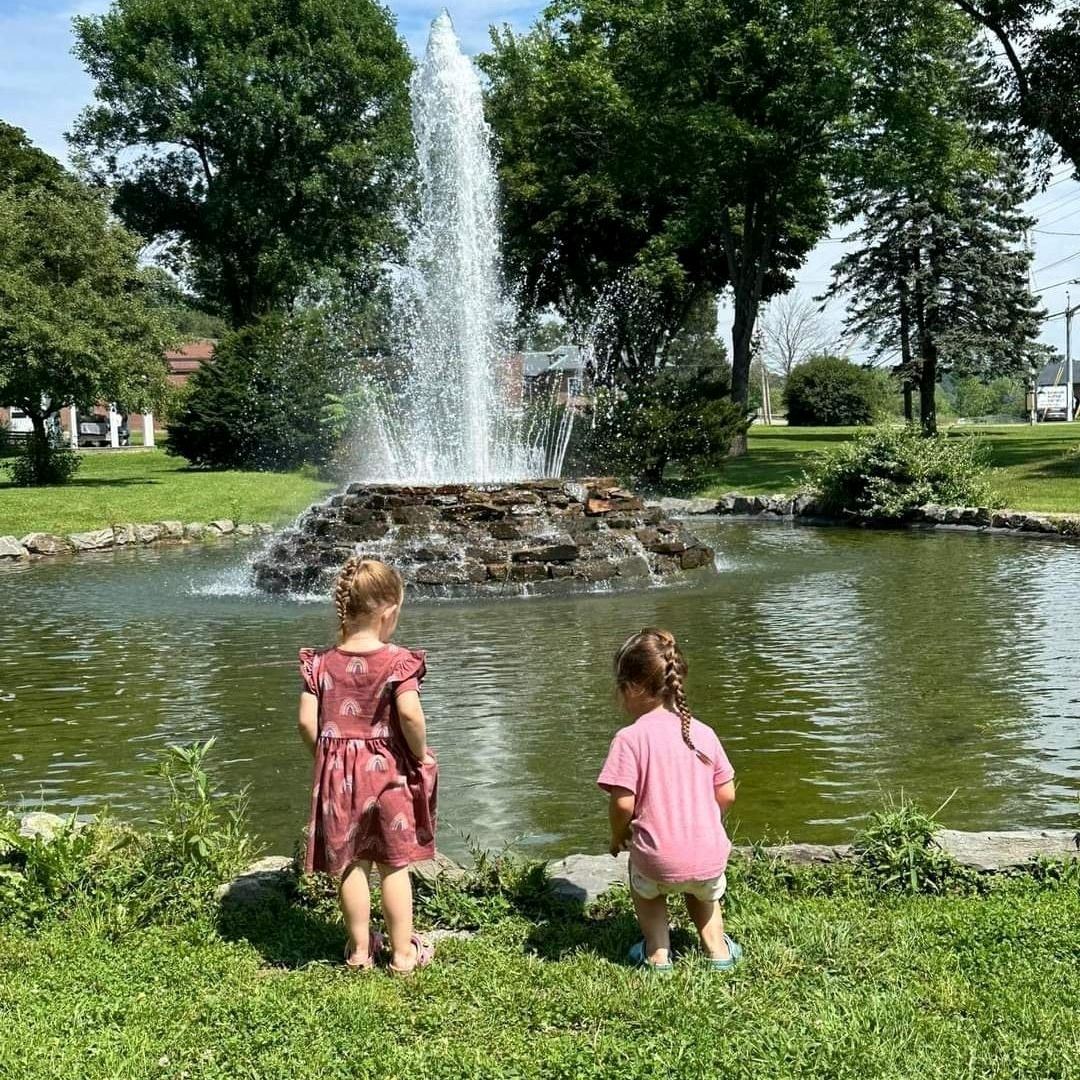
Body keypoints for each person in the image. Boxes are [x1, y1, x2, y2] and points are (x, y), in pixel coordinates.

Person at [297, 556, 437, 975]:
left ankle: (359, 951)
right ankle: (402, 954)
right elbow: (410, 715)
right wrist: (421, 753)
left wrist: (325, 757)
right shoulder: (397, 662)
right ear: (389, 612)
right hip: (389, 773)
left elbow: (306, 721)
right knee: (394, 866)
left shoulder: (319, 663)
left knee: (352, 863)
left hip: (339, 776)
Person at [597, 628, 740, 973]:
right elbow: (727, 792)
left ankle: (658, 953)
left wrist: (618, 836)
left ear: (630, 687)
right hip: (708, 855)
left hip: (656, 863)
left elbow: (622, 805)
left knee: (644, 879)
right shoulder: (702, 732)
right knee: (702, 890)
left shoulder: (630, 738)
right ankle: (718, 952)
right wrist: (706, 819)